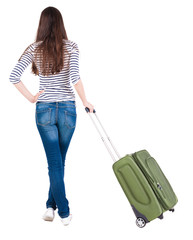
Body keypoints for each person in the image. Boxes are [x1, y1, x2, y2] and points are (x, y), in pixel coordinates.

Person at [9, 6, 94, 226]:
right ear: (60, 23)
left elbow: (13, 76)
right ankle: (64, 212)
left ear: (42, 24)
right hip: (67, 110)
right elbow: (74, 76)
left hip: (44, 109)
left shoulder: (34, 48)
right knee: (58, 163)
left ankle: (50, 206)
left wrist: (31, 98)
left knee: (56, 163)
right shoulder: (72, 47)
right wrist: (85, 102)